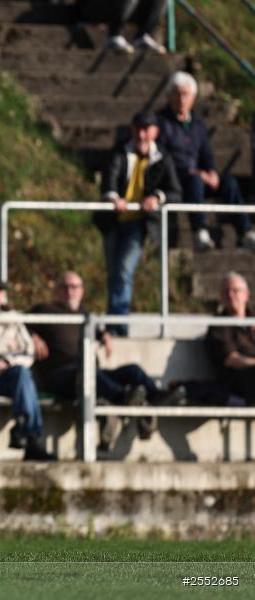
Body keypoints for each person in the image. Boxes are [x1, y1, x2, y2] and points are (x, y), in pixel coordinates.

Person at [28, 271, 184, 450]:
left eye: (74, 287)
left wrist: (104, 335)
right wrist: (32, 336)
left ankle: (156, 396)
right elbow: (18, 325)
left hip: (90, 373)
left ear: (82, 291)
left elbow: (98, 332)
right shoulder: (44, 310)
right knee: (89, 373)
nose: (69, 291)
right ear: (55, 291)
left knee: (132, 370)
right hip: (61, 376)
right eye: (64, 287)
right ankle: (123, 397)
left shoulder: (85, 315)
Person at [95, 111, 181, 336]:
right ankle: (114, 322)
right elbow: (109, 181)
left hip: (139, 224)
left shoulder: (163, 158)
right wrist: (114, 198)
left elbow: (175, 192)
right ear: (133, 130)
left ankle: (118, 326)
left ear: (155, 132)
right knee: (114, 271)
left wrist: (157, 198)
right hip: (113, 221)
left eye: (147, 129)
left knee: (124, 269)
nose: (142, 134)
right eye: (138, 128)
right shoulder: (120, 153)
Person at [157, 72, 255, 251]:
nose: (181, 99)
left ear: (193, 98)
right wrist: (193, 172)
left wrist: (211, 172)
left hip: (199, 176)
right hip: (176, 178)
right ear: (168, 96)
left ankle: (245, 231)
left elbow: (206, 153)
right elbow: (162, 157)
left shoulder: (198, 125)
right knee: (195, 181)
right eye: (177, 93)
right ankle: (200, 231)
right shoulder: (161, 123)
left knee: (229, 183)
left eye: (185, 94)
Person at [0, 275, 54, 461]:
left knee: (22, 373)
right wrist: (7, 346)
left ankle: (26, 430)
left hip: (5, 377)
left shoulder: (12, 318)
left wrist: (7, 361)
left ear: (3, 296)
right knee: (24, 380)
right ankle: (28, 436)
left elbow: (28, 350)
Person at [206, 272, 255, 404]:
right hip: (238, 384)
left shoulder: (252, 320)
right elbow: (231, 359)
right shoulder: (219, 325)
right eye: (226, 291)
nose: (230, 295)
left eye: (235, 290)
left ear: (247, 295)